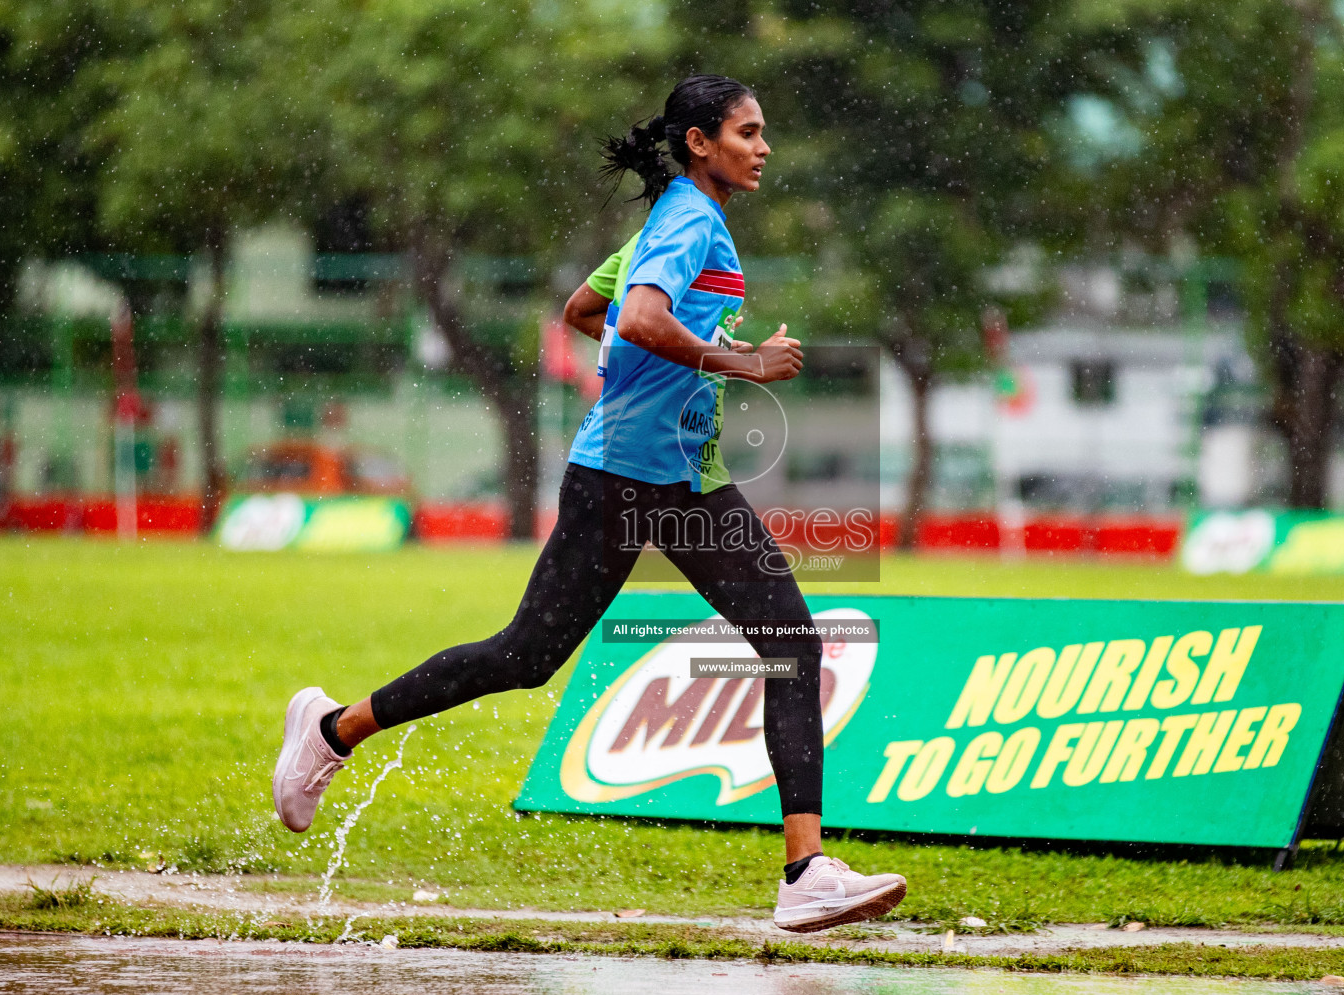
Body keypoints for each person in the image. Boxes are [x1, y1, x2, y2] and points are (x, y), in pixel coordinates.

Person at [272, 74, 906, 933]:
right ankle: (331, 730)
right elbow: (638, 319)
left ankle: (805, 872)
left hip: (688, 483)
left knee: (788, 640)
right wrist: (740, 364)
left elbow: (585, 309)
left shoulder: (673, 224)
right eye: (748, 132)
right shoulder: (686, 221)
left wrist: (655, 387)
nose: (763, 148)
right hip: (619, 484)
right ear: (698, 143)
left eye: (763, 134)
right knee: (526, 656)